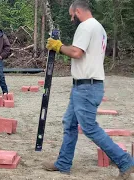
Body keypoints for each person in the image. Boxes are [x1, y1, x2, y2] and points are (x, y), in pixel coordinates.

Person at [42, 0, 134, 179]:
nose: (71, 19)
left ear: (78, 11)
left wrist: (58, 46)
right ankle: (63, 163)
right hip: (85, 86)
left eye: (71, 15)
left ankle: (125, 162)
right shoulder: (99, 28)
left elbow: (77, 52)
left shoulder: (86, 27)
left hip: (86, 87)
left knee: (90, 128)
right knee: (69, 124)